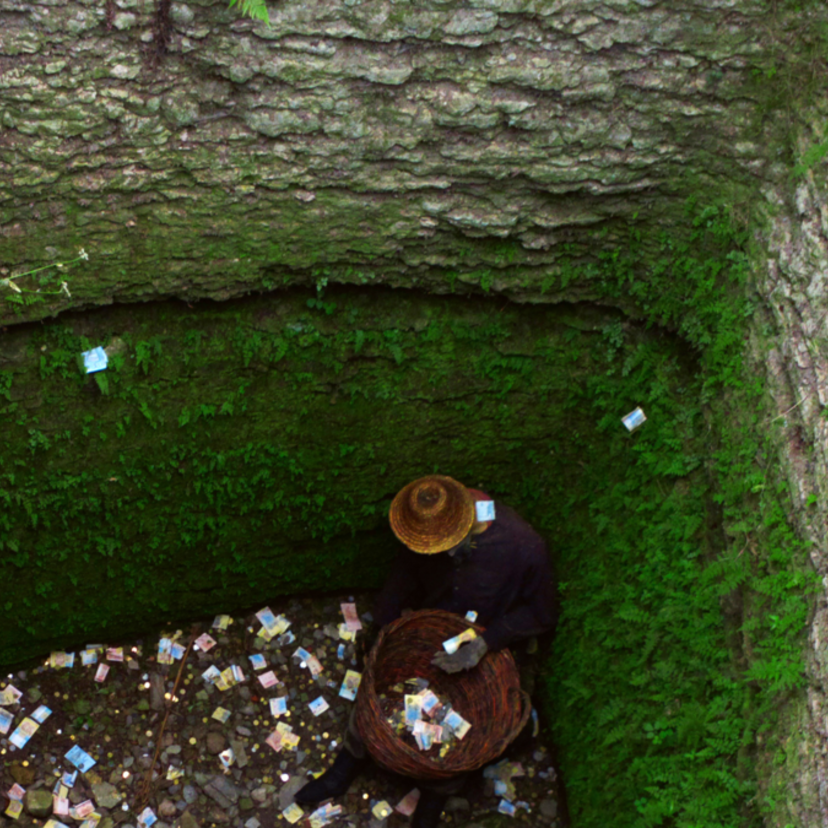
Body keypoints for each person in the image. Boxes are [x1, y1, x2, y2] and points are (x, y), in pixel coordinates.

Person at [294, 474, 559, 828]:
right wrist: (383, 632)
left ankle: (433, 800)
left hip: (484, 643)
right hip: (426, 632)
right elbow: (402, 576)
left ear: (464, 526)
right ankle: (347, 764)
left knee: (463, 738)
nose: (443, 557)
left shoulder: (522, 546)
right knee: (376, 693)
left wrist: (485, 643)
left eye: (447, 549)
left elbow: (543, 613)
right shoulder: (426, 522)